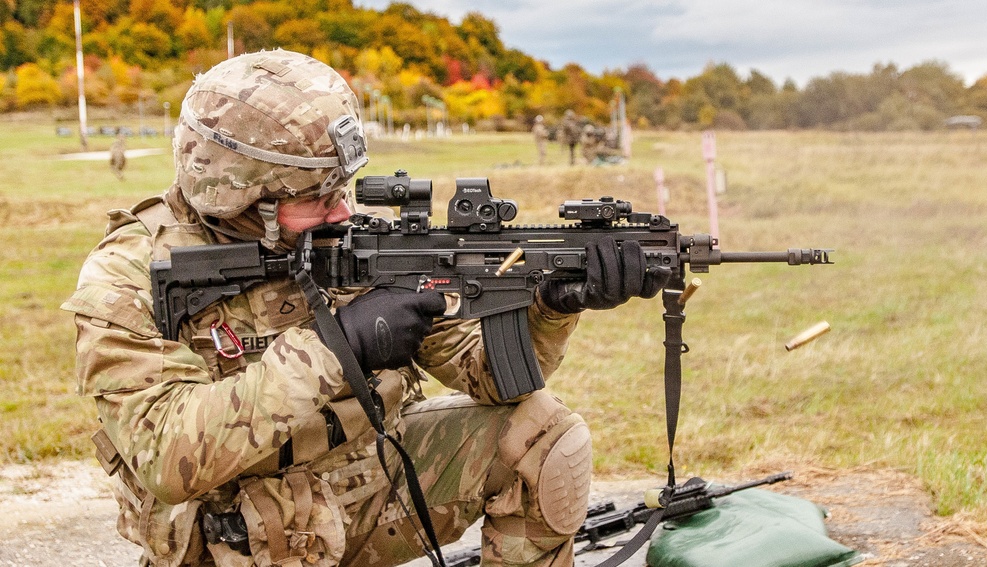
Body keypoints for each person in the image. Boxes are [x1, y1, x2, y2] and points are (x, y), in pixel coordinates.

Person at [63, 49, 667, 567]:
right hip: (241, 539)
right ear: (242, 194)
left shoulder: (349, 245)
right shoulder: (130, 273)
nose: (343, 212)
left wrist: (550, 305)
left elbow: (490, 377)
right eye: (318, 198)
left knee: (543, 431)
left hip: (366, 496)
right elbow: (166, 454)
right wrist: (336, 348)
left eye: (343, 190)